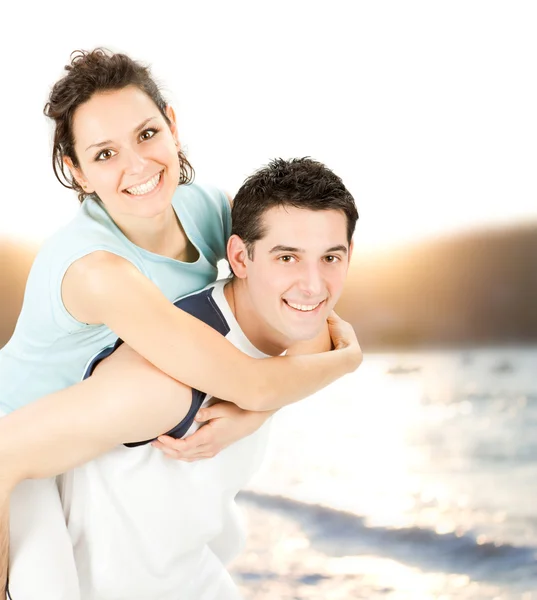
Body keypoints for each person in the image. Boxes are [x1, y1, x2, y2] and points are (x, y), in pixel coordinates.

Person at [0, 48, 361, 599]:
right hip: (16, 440)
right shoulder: (100, 272)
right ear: (76, 171)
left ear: (171, 125)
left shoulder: (206, 209)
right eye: (104, 154)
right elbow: (253, 380)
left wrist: (247, 418)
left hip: (80, 443)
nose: (138, 167)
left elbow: (298, 296)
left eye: (146, 135)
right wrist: (347, 361)